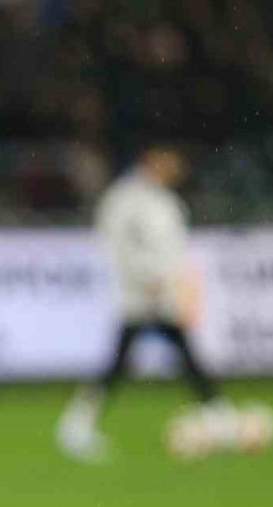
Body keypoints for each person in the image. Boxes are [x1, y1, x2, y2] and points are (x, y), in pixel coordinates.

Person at [57, 144, 228, 462]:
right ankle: (77, 423)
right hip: (140, 292)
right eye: (170, 162)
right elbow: (118, 242)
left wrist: (174, 282)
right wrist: (145, 276)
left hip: (162, 291)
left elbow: (172, 247)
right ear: (151, 161)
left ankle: (218, 414)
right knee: (138, 357)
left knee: (171, 352)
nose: (176, 170)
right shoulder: (126, 198)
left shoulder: (162, 199)